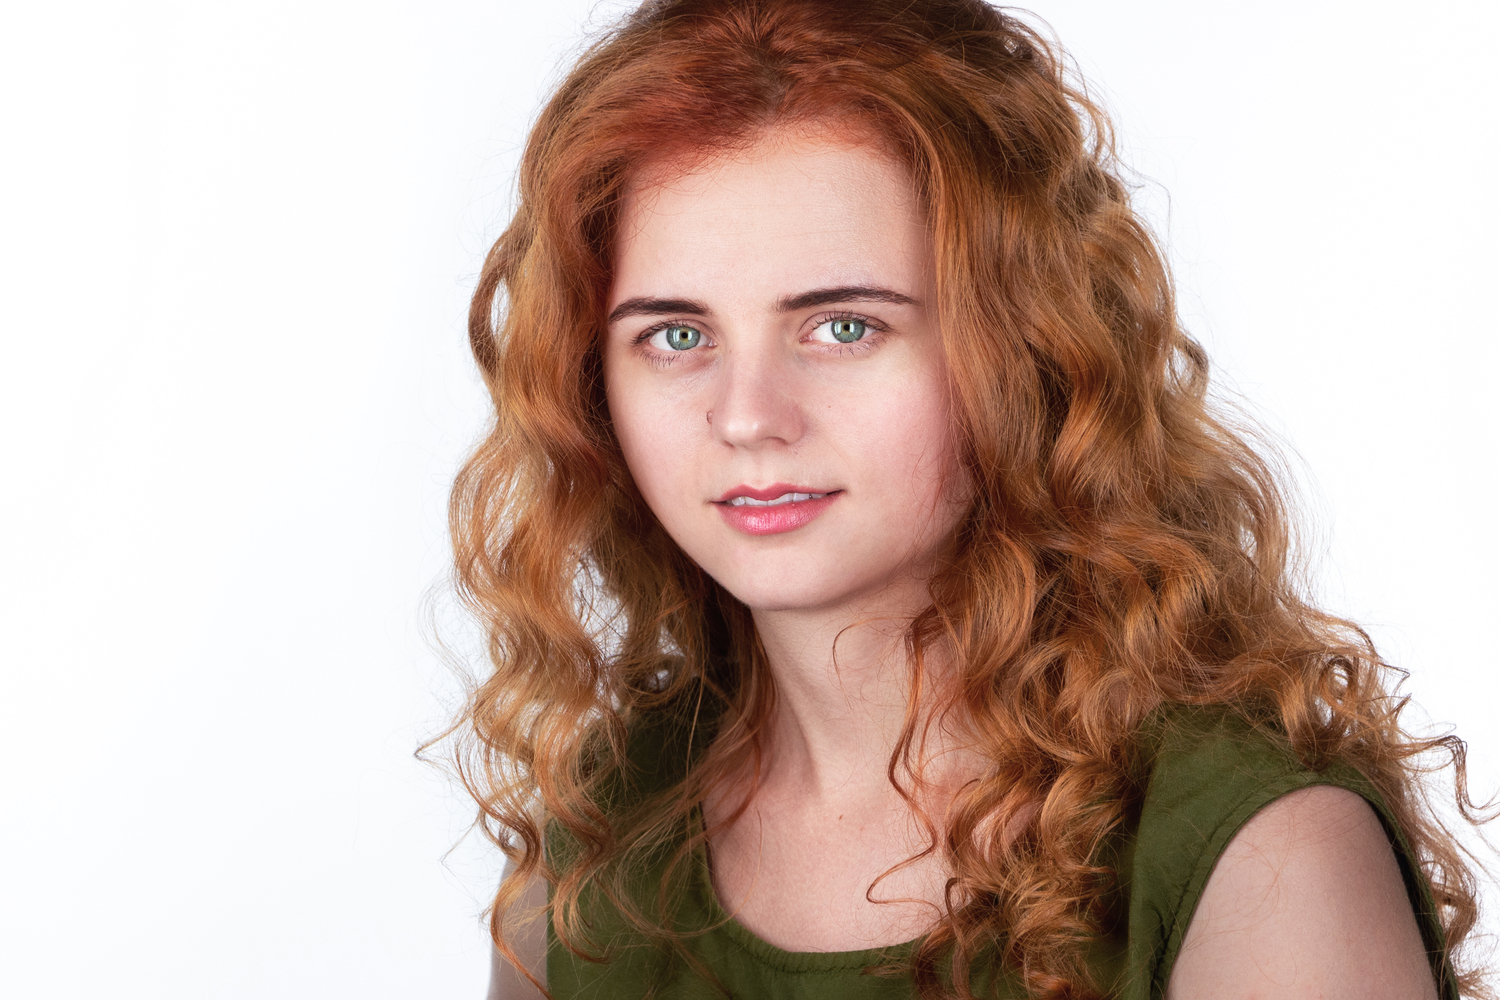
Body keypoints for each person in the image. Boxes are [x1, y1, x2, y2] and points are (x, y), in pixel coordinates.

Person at [446, 1, 1488, 997]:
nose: (749, 416)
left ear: (1026, 344)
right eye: (676, 336)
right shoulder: (594, 831)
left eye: (844, 326)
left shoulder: (1262, 856)